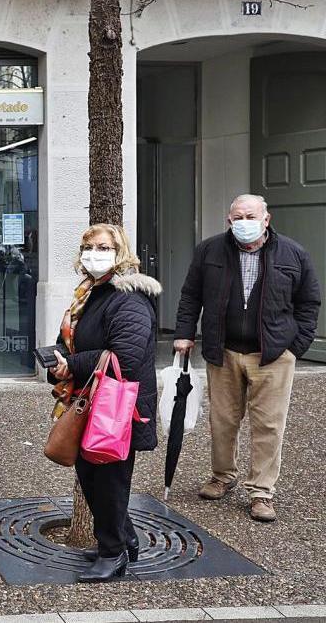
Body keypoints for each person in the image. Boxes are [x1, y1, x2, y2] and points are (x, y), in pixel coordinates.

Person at [174, 194, 320, 523]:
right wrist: (184, 333)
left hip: (272, 354)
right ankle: (222, 476)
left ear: (266, 219)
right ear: (229, 221)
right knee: (222, 421)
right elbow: (191, 294)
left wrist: (295, 347)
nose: (244, 223)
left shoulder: (293, 253)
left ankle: (261, 492)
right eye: (237, 217)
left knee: (268, 425)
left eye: (250, 216)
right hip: (223, 351)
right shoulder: (210, 250)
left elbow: (309, 302)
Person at [49, 224, 159, 583]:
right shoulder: (91, 293)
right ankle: (123, 538)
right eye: (88, 246)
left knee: (109, 482)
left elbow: (124, 358)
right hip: (89, 401)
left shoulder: (129, 297)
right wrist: (59, 362)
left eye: (102, 247)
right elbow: (74, 342)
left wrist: (72, 363)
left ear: (120, 251)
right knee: (92, 478)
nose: (93, 253)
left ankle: (113, 554)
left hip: (117, 408)